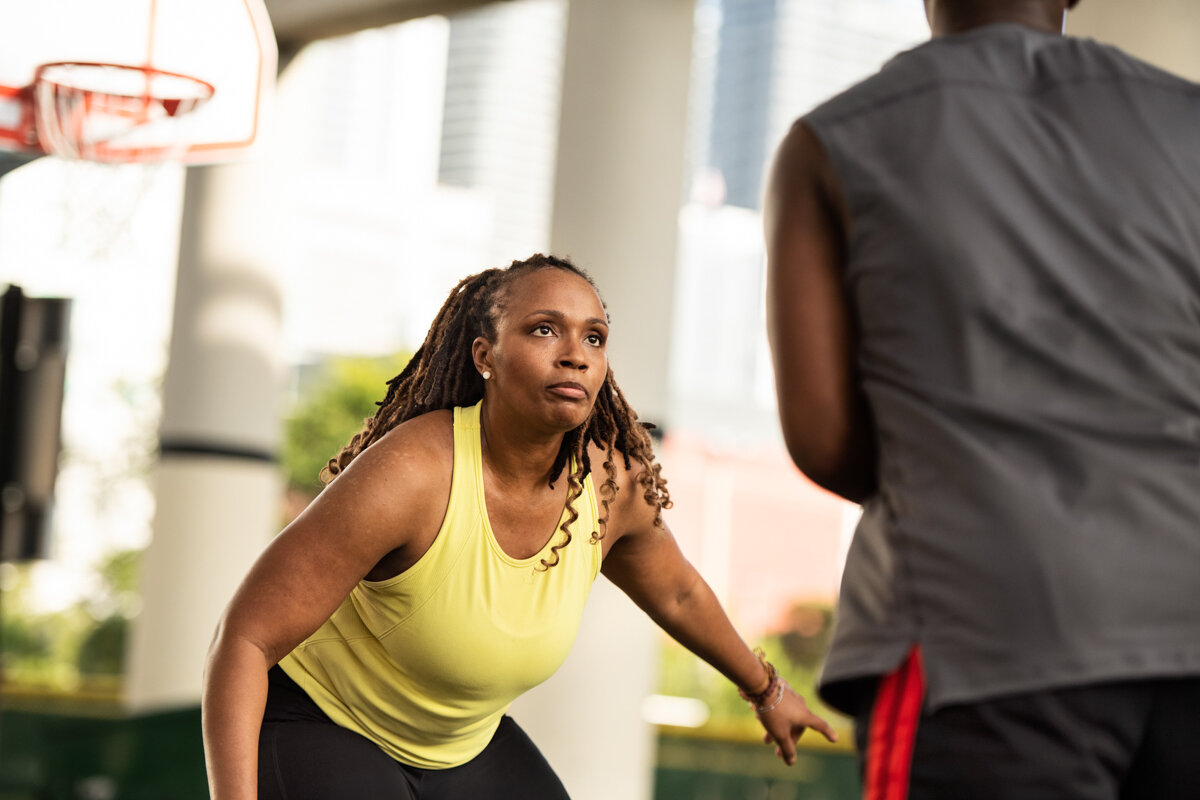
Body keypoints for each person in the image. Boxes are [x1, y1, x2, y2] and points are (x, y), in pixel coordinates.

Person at [763, 1, 1200, 798]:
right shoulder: (1188, 119)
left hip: (983, 638)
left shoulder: (835, 140)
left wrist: (962, 456)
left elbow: (824, 437)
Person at [203, 253, 836, 799]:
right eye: (544, 330)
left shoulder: (609, 489)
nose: (576, 356)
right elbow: (244, 640)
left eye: (594, 338)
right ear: (486, 355)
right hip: (323, 723)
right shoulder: (413, 473)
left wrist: (768, 691)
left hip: (462, 746)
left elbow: (679, 593)